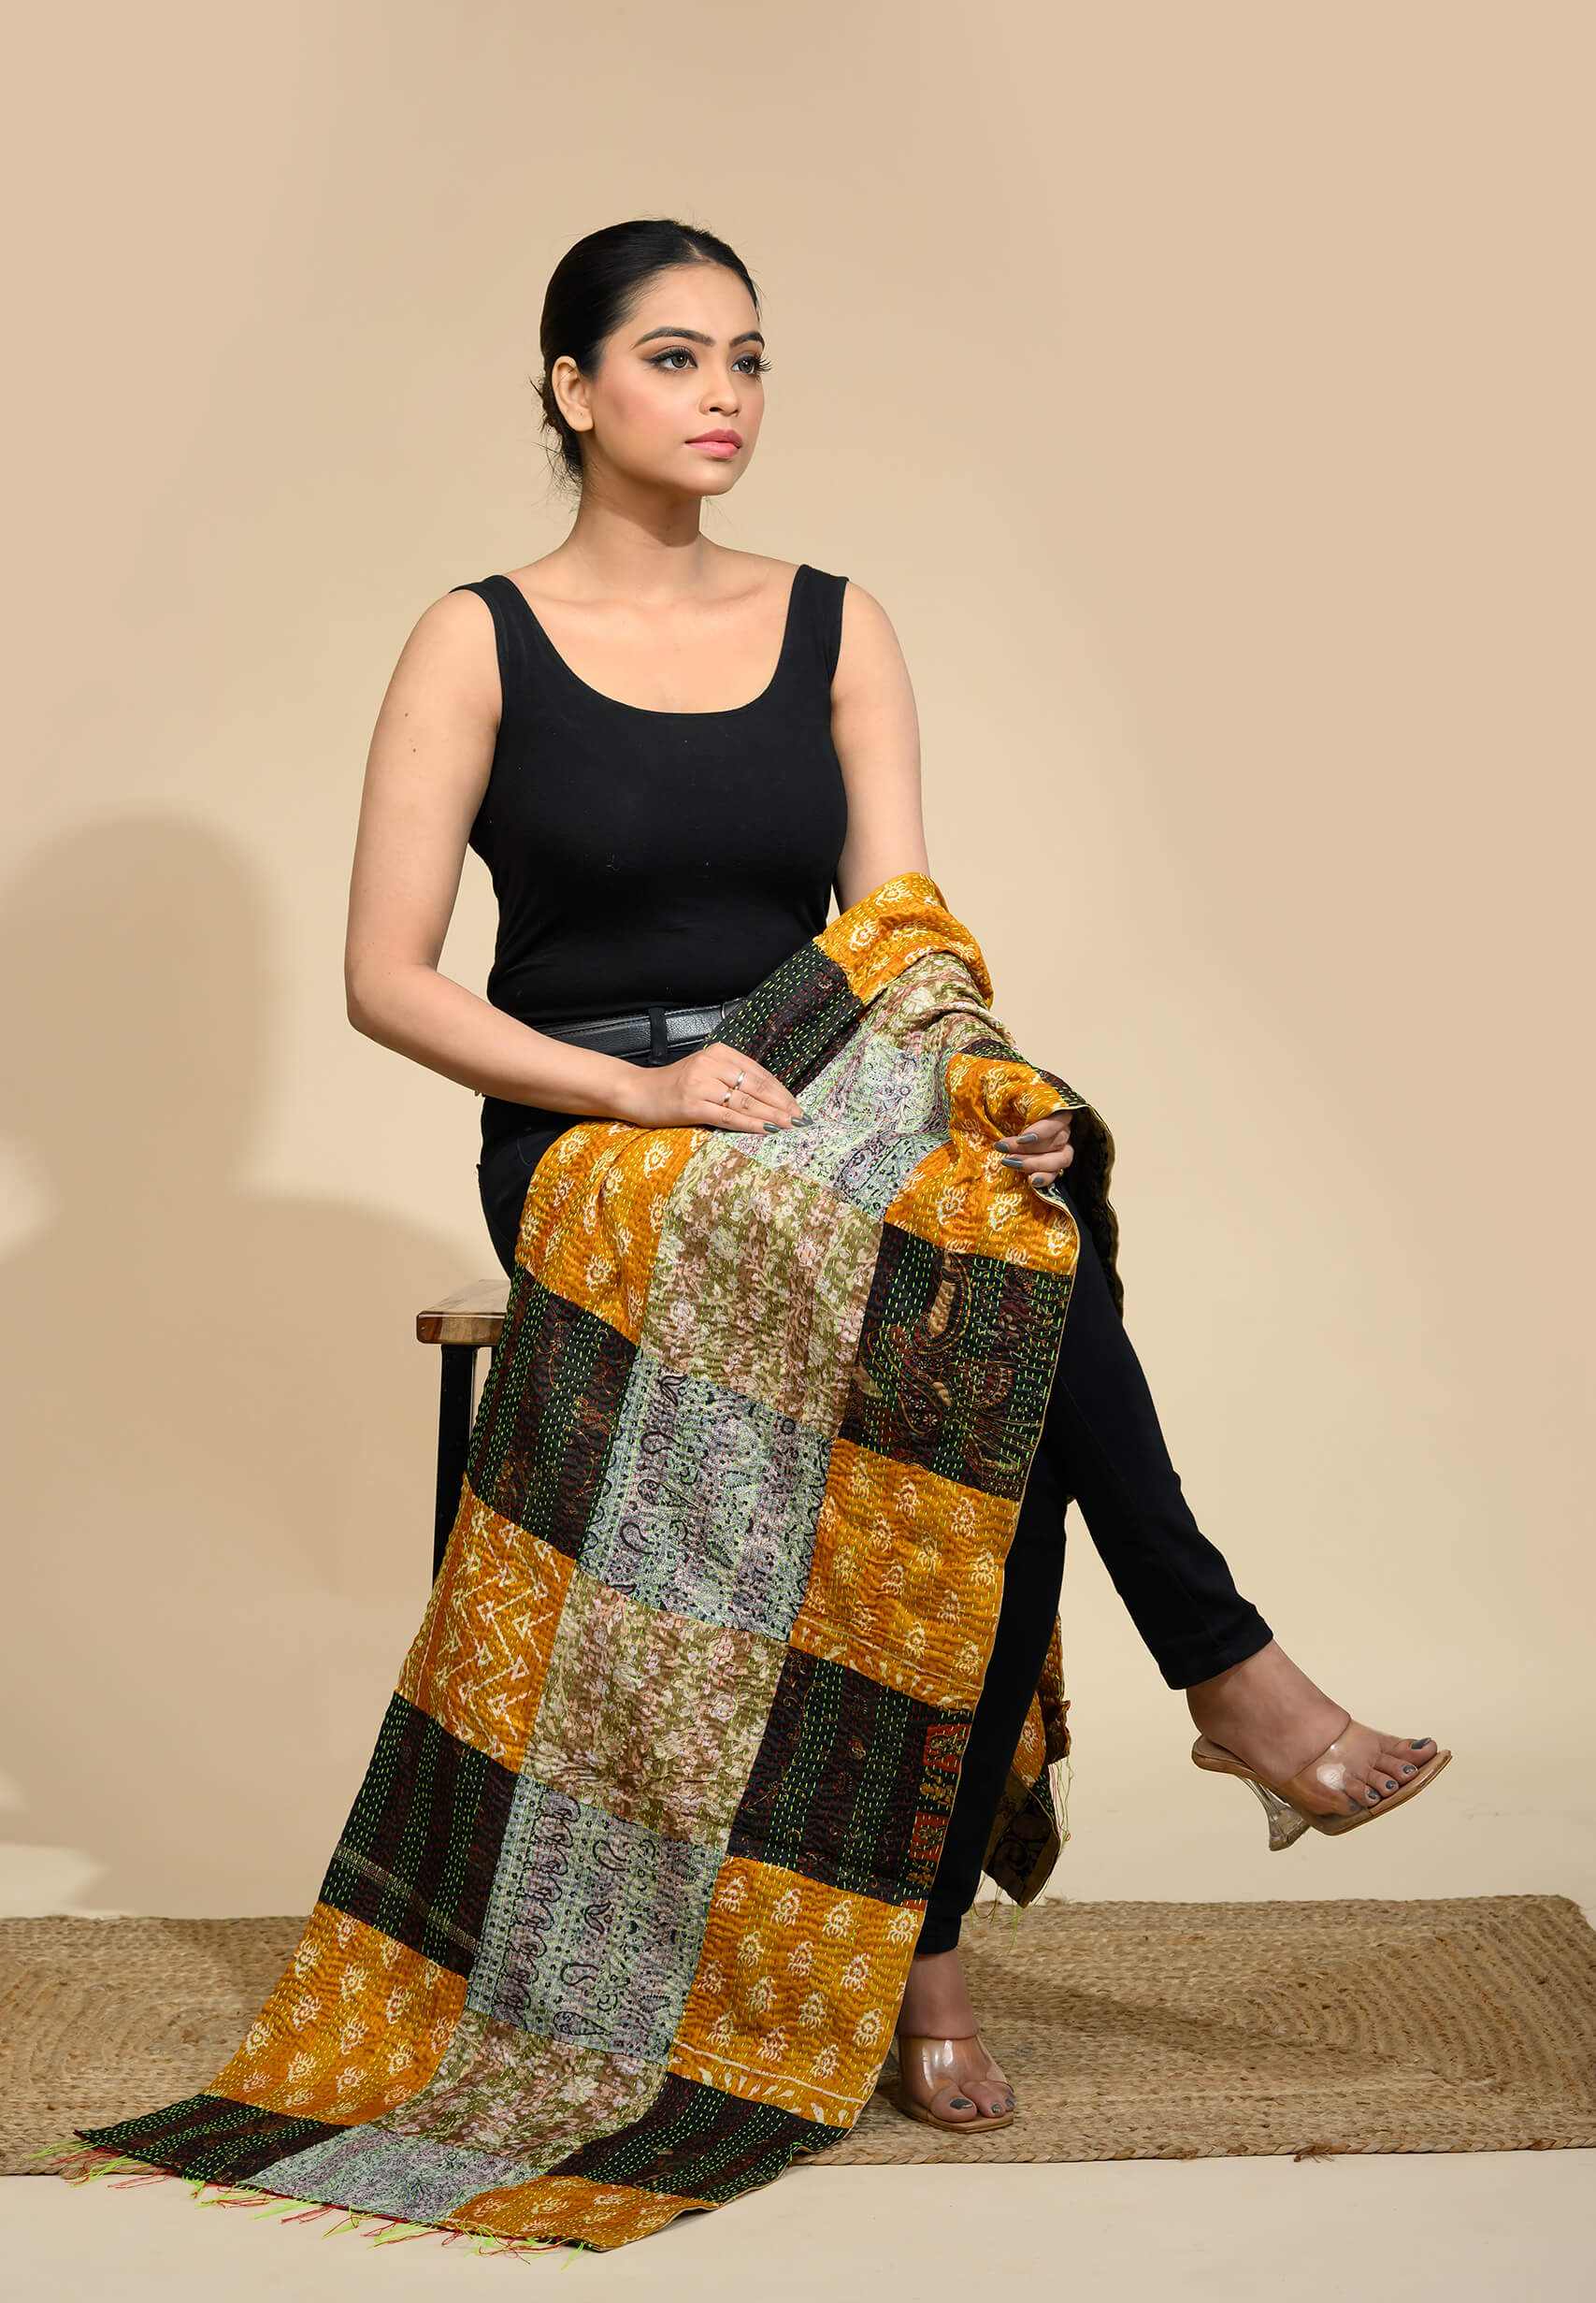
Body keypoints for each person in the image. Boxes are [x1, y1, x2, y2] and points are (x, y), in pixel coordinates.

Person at [342, 217, 1448, 2140]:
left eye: (749, 359)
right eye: (675, 357)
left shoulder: (838, 622)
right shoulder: (474, 636)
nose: (724, 396)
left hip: (815, 1087)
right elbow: (387, 979)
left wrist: (990, 1100)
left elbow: (908, 953)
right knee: (969, 1289)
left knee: (1023, 1230)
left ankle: (944, 1917)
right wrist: (644, 1090)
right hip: (590, 1124)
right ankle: (1221, 1683)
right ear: (572, 388)